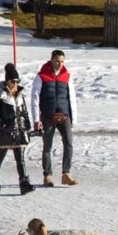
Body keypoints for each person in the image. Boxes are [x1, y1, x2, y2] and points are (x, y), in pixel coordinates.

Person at [29, 49, 79, 187]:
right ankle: (47, 175)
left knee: (68, 144)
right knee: (47, 146)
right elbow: (35, 97)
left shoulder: (66, 76)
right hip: (47, 116)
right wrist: (36, 119)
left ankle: (66, 174)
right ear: (51, 60)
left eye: (62, 61)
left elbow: (72, 98)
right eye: (57, 61)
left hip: (64, 115)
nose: (60, 64)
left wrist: (73, 118)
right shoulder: (42, 76)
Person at [0, 63, 34, 195]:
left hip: (18, 133)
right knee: (0, 156)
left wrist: (27, 126)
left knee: (20, 158)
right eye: (12, 81)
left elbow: (24, 113)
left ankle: (24, 183)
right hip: (5, 133)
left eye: (17, 81)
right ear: (7, 81)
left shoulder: (20, 97)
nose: (15, 84)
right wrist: (1, 127)